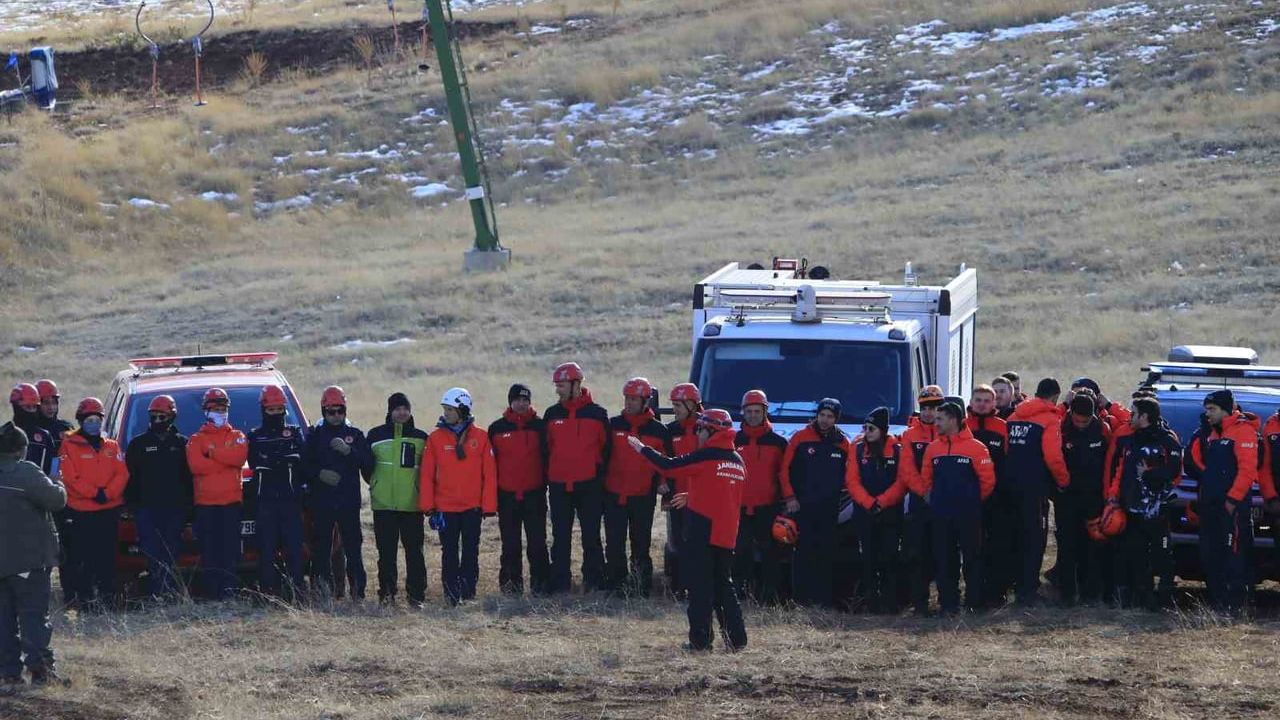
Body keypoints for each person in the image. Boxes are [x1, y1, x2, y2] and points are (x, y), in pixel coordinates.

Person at [628, 409, 747, 652]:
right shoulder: (736, 460)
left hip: (703, 531)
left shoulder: (705, 456)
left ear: (711, 430)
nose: (697, 434)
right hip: (726, 533)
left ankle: (700, 642)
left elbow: (668, 466)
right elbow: (722, 492)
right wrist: (693, 496)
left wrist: (642, 449)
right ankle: (737, 640)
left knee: (700, 586)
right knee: (724, 584)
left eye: (700, 429)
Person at [0, 424, 66, 688]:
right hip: (28, 560)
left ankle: (8, 673)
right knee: (33, 616)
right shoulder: (26, 472)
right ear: (21, 449)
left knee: (3, 620)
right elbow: (56, 500)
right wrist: (58, 483)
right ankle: (40, 671)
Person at [419, 388, 497, 605]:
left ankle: (468, 593)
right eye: (444, 409)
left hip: (472, 508)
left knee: (471, 551)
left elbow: (489, 474)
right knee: (449, 553)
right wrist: (429, 507)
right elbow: (426, 476)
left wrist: (488, 506)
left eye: (450, 409)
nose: (445, 413)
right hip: (446, 509)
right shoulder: (434, 439)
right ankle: (451, 596)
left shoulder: (481, 437)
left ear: (463, 410)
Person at [920, 402, 996, 616]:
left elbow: (988, 481)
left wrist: (970, 502)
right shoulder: (933, 448)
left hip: (968, 515)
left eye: (940, 419)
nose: (936, 423)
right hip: (941, 515)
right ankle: (948, 603)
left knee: (972, 557)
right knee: (944, 559)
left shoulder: (976, 447)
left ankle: (974, 602)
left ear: (953, 419)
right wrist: (933, 500)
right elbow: (926, 479)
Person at [1188, 390, 1259, 613]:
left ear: (1225, 410)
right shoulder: (1214, 434)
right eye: (1206, 409)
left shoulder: (1243, 431)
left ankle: (1235, 604)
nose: (1207, 414)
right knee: (1211, 554)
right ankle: (1218, 602)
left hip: (1232, 508)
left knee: (1234, 555)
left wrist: (1232, 500)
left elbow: (1247, 471)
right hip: (1211, 506)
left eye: (1212, 409)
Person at [1108, 397, 1181, 610]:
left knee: (1162, 556)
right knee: (1135, 554)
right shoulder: (1131, 440)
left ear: (1144, 416)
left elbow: (1175, 471)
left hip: (1157, 511)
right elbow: (1121, 471)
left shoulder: (1167, 440)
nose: (1130, 417)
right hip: (1132, 509)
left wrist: (1149, 474)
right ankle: (1141, 599)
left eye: (1133, 413)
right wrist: (1114, 496)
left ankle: (1164, 600)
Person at [543, 363, 610, 594]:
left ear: (576, 384)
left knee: (591, 536)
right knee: (560, 537)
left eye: (561, 385)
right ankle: (560, 584)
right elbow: (547, 449)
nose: (558, 390)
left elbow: (606, 450)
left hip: (590, 485)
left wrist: (597, 478)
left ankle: (594, 582)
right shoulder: (551, 415)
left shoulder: (598, 414)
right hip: (560, 485)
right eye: (557, 386)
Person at [57, 397, 128, 611]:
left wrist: (108, 493)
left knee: (107, 557)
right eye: (89, 420)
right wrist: (93, 493)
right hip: (82, 512)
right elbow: (70, 477)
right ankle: (87, 601)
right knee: (83, 558)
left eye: (97, 419)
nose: (94, 424)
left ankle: (109, 598)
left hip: (109, 510)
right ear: (80, 421)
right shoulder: (69, 445)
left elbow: (122, 473)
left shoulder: (111, 445)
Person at [1005, 378, 1070, 606]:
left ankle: (1012, 583)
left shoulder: (1014, 417)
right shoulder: (1051, 420)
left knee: (1014, 536)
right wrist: (1063, 481)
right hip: (1034, 488)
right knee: (1034, 539)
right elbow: (1053, 457)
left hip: (1009, 485)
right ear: (1054, 397)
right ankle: (1028, 589)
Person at [602, 378, 670, 596]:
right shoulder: (613, 425)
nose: (629, 403)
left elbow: (665, 462)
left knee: (641, 544)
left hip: (643, 496)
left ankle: (641, 588)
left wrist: (662, 484)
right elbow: (602, 455)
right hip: (614, 494)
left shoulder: (659, 431)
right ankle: (616, 586)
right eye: (627, 398)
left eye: (634, 399)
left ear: (645, 401)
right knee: (614, 543)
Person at [304, 386, 372, 600]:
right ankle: (324, 593)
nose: (335, 416)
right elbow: (303, 466)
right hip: (323, 502)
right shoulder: (314, 435)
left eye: (339, 411)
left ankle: (358, 594)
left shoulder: (355, 434)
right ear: (323, 411)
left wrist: (349, 452)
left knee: (353, 549)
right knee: (322, 550)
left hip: (348, 502)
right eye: (330, 411)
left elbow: (368, 463)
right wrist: (319, 474)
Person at [780, 398, 849, 607]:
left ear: (835, 419)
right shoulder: (800, 438)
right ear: (816, 415)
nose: (825, 420)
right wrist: (790, 497)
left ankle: (824, 600)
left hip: (829, 508)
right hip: (804, 506)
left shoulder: (843, 443)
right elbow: (784, 471)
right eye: (822, 415)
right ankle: (800, 600)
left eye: (830, 417)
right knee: (803, 553)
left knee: (826, 553)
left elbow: (850, 476)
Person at [124, 395, 193, 598]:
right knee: (151, 551)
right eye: (153, 416)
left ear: (171, 417)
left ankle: (171, 591)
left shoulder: (182, 444)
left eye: (162, 416)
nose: (157, 421)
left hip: (175, 509)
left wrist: (189, 508)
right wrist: (132, 507)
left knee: (171, 550)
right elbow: (130, 478)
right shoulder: (138, 445)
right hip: (147, 509)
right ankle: (156, 592)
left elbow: (189, 479)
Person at [366, 392, 429, 607]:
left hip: (412, 504)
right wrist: (376, 485)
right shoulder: (375, 435)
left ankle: (417, 596)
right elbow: (367, 467)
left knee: (415, 553)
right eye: (397, 408)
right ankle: (387, 594)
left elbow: (428, 471)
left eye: (405, 408)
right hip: (383, 505)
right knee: (386, 553)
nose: (401, 412)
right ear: (390, 411)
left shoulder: (421, 437)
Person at [488, 384, 551, 596]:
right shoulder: (497, 428)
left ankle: (541, 586)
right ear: (510, 402)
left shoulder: (540, 426)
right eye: (517, 400)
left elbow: (548, 457)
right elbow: (491, 465)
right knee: (510, 545)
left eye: (525, 400)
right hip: (507, 497)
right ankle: (510, 588)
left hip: (535, 494)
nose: (522, 404)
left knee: (537, 544)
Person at [187, 388, 248, 601]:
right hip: (206, 505)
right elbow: (196, 466)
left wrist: (212, 454)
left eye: (223, 408)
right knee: (210, 551)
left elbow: (239, 458)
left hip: (231, 504)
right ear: (206, 411)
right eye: (216, 409)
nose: (221, 413)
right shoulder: (196, 439)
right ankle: (212, 594)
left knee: (230, 551)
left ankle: (230, 591)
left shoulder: (238, 436)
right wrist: (225, 462)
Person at [247, 386, 307, 601]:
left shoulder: (294, 431)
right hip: (266, 502)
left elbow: (302, 458)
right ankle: (268, 594)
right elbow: (255, 461)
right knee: (266, 549)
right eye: (271, 410)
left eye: (279, 409)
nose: (276, 414)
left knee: (294, 549)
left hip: (290, 501)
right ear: (264, 410)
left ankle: (297, 594)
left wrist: (274, 460)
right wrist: (282, 458)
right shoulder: (255, 435)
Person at [844, 407, 905, 613]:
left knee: (889, 556)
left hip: (890, 512)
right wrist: (869, 502)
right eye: (865, 427)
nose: (867, 432)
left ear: (882, 430)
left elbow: (902, 481)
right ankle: (869, 601)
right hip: (865, 512)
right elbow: (852, 480)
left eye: (871, 428)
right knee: (867, 557)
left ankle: (890, 601)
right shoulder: (858, 448)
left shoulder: (897, 449)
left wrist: (883, 501)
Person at [733, 390, 787, 605]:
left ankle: (769, 597)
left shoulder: (778, 442)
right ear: (743, 413)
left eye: (757, 411)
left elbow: (785, 473)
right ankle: (739, 594)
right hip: (739, 507)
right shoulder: (733, 440)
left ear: (765, 412)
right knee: (740, 552)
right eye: (749, 411)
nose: (753, 415)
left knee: (770, 554)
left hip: (768, 507)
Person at [1057, 393, 1110, 606]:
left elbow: (1110, 462)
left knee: (1093, 545)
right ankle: (1067, 594)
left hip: (1094, 497)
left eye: (1085, 421)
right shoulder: (1061, 428)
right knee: (1067, 544)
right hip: (1067, 498)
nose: (1080, 424)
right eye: (1077, 420)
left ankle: (1091, 592)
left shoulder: (1103, 429)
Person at [899, 385, 944, 615]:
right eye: (925, 407)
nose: (929, 412)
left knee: (945, 552)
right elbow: (906, 469)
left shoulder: (950, 431)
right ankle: (919, 603)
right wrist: (923, 491)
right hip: (919, 501)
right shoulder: (909, 435)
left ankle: (947, 602)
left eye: (934, 407)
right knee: (918, 553)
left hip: (945, 502)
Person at [663, 383, 703, 598]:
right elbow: (664, 461)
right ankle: (679, 589)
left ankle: (699, 587)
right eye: (673, 405)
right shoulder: (671, 430)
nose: (675, 409)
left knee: (699, 544)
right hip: (678, 496)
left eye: (679, 405)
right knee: (678, 543)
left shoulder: (708, 427)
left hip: (702, 498)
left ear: (692, 404)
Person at [6, 384, 55, 474]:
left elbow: (54, 465)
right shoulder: (4, 434)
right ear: (16, 408)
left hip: (38, 485)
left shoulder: (44, 436)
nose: (32, 411)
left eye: (34, 407)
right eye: (28, 407)